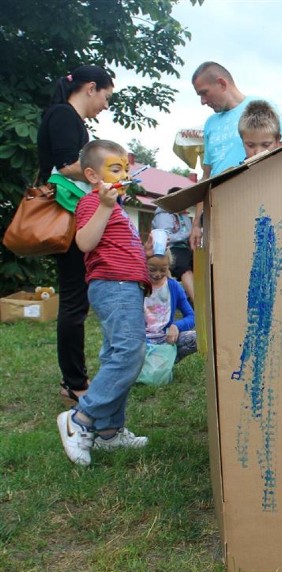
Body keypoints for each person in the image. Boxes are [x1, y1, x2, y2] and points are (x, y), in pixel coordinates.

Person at [57, 140, 151, 467]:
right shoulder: (91, 202)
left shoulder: (116, 207)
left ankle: (109, 432)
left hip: (126, 286)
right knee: (130, 352)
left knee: (116, 354)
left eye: (125, 168)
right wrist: (105, 207)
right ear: (92, 175)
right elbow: (84, 242)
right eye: (115, 168)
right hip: (113, 285)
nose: (123, 173)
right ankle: (81, 419)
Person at [37, 65, 115, 405]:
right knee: (73, 301)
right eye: (106, 97)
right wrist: (107, 165)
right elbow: (66, 163)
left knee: (75, 298)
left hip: (73, 217)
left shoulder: (71, 119)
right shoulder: (63, 115)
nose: (105, 105)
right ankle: (74, 383)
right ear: (91, 88)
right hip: (66, 218)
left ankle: (73, 377)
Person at [189, 62, 282, 249]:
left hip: (255, 206)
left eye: (204, 93)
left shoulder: (260, 107)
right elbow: (206, 177)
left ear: (221, 83)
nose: (203, 101)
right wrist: (197, 223)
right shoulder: (210, 124)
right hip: (218, 213)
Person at [144, 251, 196, 363]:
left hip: (166, 340)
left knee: (196, 338)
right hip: (141, 342)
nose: (157, 274)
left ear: (168, 267)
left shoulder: (174, 287)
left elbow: (192, 316)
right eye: (152, 269)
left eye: (163, 270)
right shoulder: (138, 286)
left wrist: (176, 326)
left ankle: (167, 360)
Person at [151, 187, 194, 303]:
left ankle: (192, 298)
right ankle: (198, 303)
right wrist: (187, 234)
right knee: (185, 268)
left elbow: (190, 234)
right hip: (171, 248)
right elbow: (165, 237)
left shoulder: (184, 216)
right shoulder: (163, 215)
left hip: (185, 248)